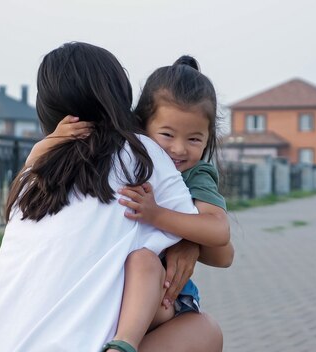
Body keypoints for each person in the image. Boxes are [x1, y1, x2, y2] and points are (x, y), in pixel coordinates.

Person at [0, 42, 224, 352]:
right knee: (203, 329)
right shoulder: (143, 154)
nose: (177, 148)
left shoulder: (34, 174)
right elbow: (221, 249)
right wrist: (188, 239)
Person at [32, 56, 233, 352]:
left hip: (165, 297)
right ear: (141, 126)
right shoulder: (125, 157)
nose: (178, 149)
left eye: (194, 139)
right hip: (113, 292)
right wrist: (47, 145)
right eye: (166, 135)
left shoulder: (196, 174)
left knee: (143, 261)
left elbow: (222, 247)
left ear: (208, 138)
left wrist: (163, 220)